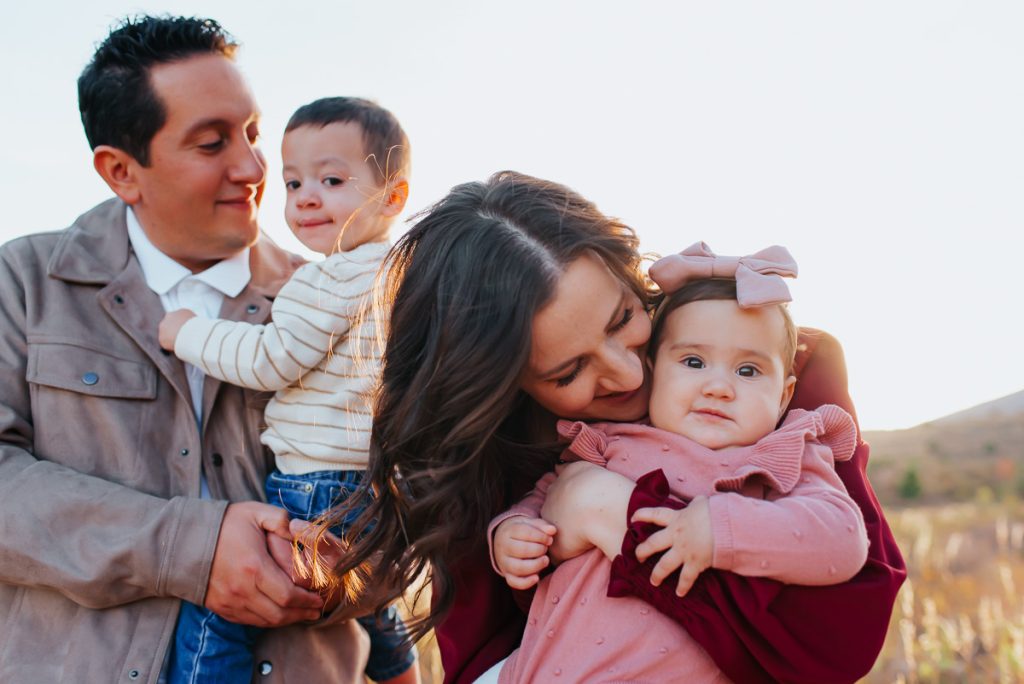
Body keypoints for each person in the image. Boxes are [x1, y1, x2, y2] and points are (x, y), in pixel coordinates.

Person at [322, 170, 905, 684]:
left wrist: (615, 514)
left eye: (624, 317)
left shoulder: (780, 383)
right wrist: (519, 533)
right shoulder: (489, 464)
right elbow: (481, 657)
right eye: (569, 371)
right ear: (504, 387)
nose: (629, 373)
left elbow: (839, 639)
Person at [0, 16, 372, 682]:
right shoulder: (21, 281)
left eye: (253, 133)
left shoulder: (344, 302)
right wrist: (188, 548)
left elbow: (417, 520)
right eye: (211, 143)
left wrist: (334, 574)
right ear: (121, 171)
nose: (254, 168)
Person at [484, 245, 869, 682]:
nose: (718, 387)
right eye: (693, 362)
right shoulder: (610, 440)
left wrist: (721, 529)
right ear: (655, 371)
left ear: (784, 396)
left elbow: (844, 538)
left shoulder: (783, 453)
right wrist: (512, 533)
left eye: (748, 371)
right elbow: (545, 500)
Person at [158, 96, 419, 684]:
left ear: (393, 197)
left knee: (221, 606)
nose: (305, 198)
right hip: (382, 483)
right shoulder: (408, 278)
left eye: (332, 180)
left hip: (318, 485)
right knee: (363, 587)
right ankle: (403, 674)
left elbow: (271, 358)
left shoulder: (326, 279)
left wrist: (187, 332)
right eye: (294, 182)